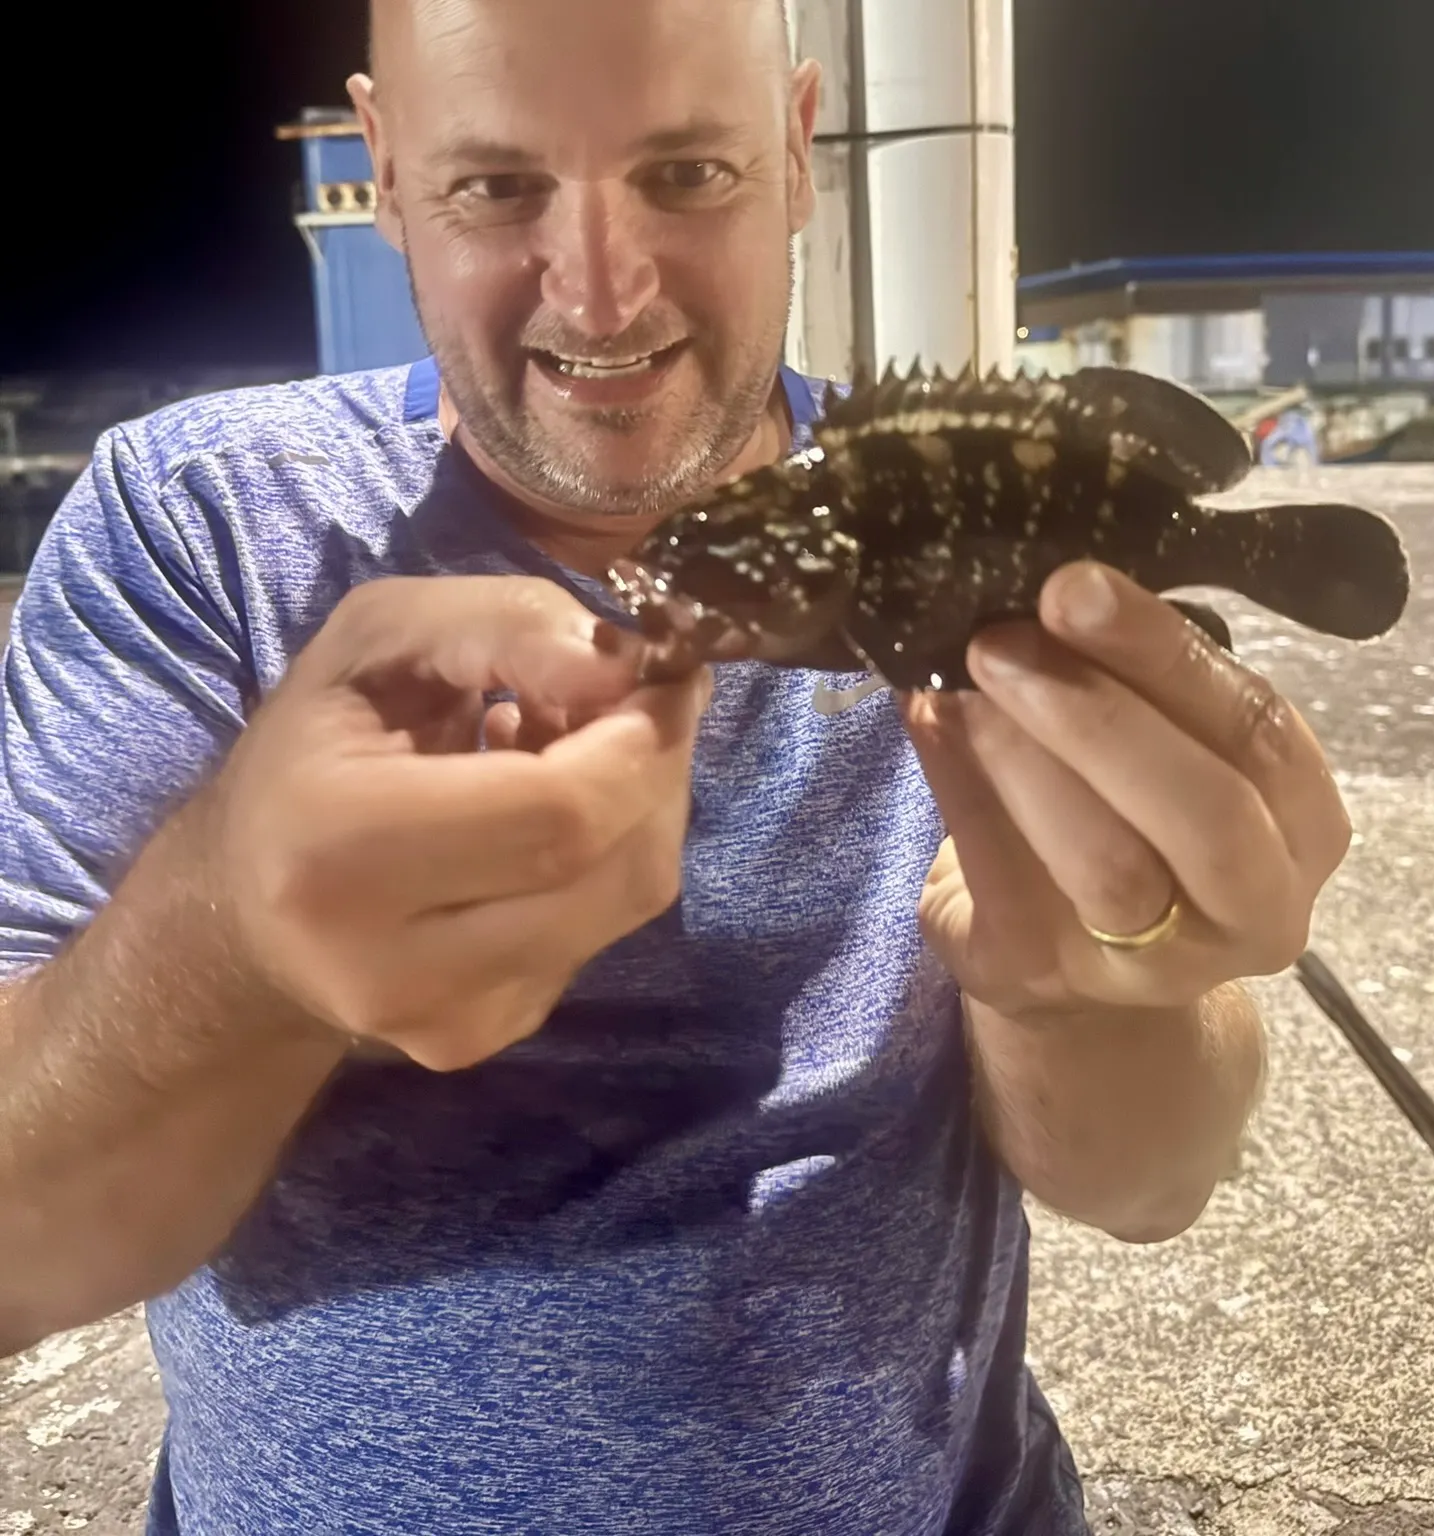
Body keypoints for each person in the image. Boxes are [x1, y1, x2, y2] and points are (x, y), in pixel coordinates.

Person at [0, 0, 1351, 1531]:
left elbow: (1152, 1181)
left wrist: (1094, 977)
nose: (603, 292)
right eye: (496, 187)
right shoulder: (200, 538)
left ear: (793, 147)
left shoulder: (969, 577)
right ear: (381, 166)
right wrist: (236, 942)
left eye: (690, 173)